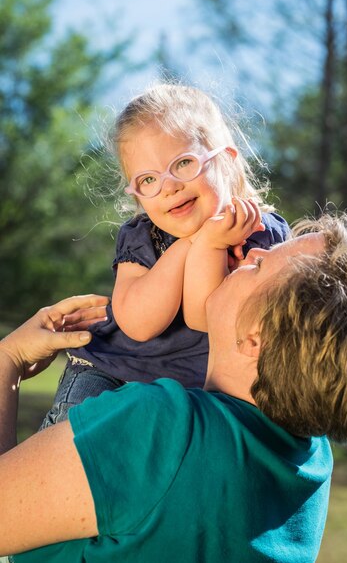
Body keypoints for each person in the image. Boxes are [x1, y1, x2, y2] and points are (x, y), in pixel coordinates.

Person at [1, 213, 347, 563]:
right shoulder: (310, 462)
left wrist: (8, 362)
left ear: (257, 337)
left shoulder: (164, 431)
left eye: (259, 266)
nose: (251, 251)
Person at [42, 83, 289, 427]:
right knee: (65, 459)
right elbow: (138, 324)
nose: (169, 186)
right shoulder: (143, 237)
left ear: (227, 162)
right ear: (138, 196)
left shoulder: (264, 235)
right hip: (113, 375)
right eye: (148, 180)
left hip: (194, 395)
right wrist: (194, 244)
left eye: (184, 163)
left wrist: (211, 244)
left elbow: (205, 317)